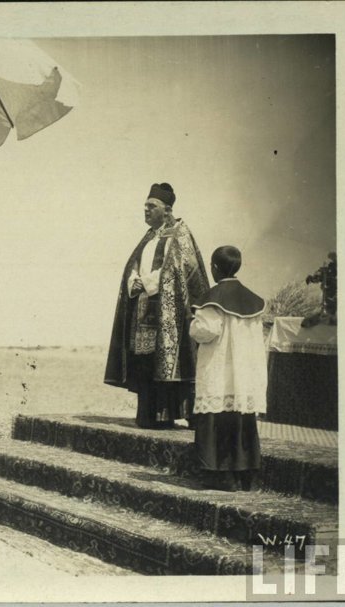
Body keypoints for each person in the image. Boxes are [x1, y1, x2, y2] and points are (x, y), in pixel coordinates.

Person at [104, 183, 209, 428]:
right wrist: (134, 281)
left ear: (168, 209)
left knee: (169, 362)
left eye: (152, 206)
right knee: (145, 362)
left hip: (170, 315)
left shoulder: (180, 234)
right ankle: (149, 416)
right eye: (145, 206)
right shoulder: (150, 237)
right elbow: (133, 265)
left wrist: (148, 283)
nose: (146, 210)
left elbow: (180, 270)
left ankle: (168, 415)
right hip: (143, 309)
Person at [189, 246, 267, 491]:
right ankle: (247, 476)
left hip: (220, 372)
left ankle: (220, 476)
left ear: (214, 268)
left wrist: (192, 327)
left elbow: (206, 331)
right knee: (242, 420)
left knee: (216, 419)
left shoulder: (213, 299)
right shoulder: (252, 300)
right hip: (243, 375)